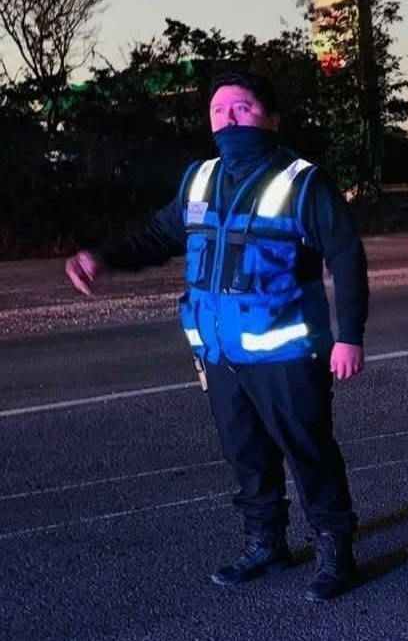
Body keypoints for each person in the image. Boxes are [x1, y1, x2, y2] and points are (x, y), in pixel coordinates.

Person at [64, 70, 368, 603]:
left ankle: (334, 546)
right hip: (221, 352)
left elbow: (346, 257)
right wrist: (102, 257)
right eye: (218, 110)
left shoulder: (302, 182)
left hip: (288, 351)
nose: (229, 119)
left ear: (271, 118)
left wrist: (350, 336)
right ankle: (266, 543)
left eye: (242, 108)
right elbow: (159, 236)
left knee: (308, 451)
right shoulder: (199, 179)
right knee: (245, 454)